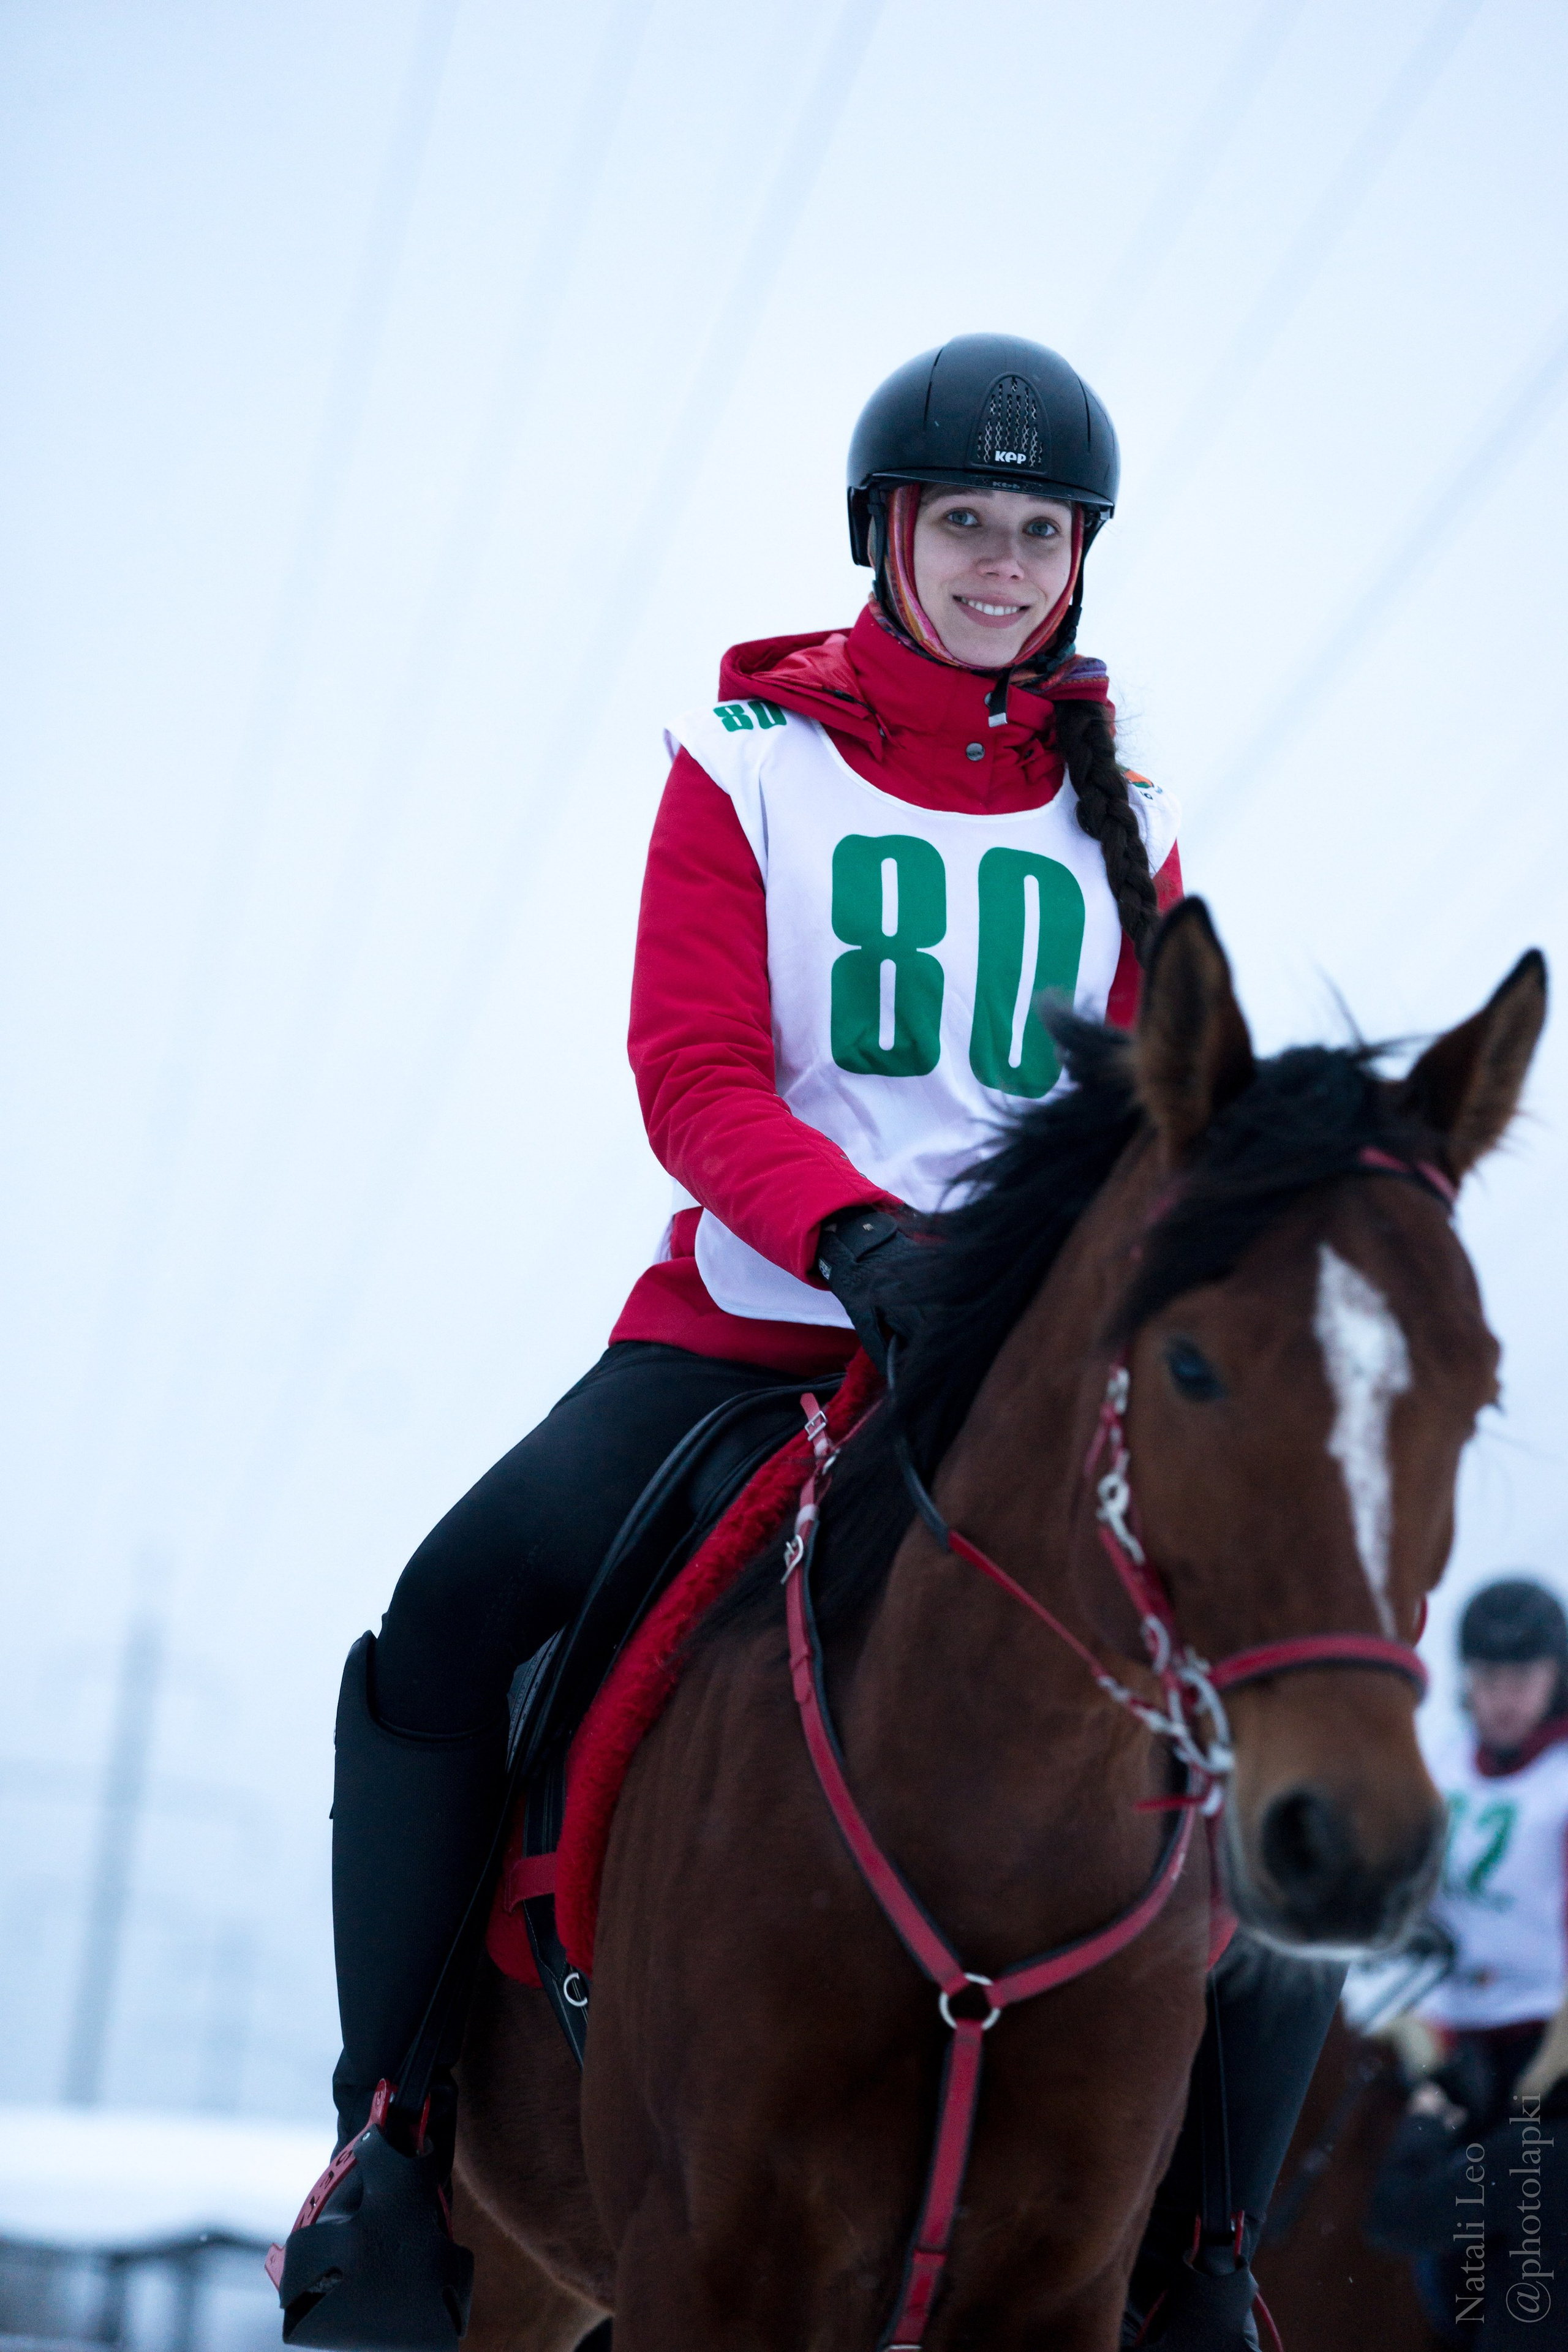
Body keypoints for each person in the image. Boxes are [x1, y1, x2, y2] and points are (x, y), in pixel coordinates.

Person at [273, 334, 1338, 2352]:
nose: (1005, 568)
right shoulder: (748, 756)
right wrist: (858, 1242)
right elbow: (690, 1063)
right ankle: (390, 2143)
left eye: (1042, 534)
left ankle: (1208, 2262)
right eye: (969, 528)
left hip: (1027, 1381)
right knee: (446, 1617)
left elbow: (1177, 1112)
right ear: (887, 537)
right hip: (759, 1330)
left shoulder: (1134, 815)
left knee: (1255, 1696)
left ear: (1080, 558)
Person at [1366, 1578, 1568, 2341]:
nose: (1503, 1696)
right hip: (1448, 2042)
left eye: (1521, 1677)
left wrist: (1549, 2063)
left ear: (1555, 1677)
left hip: (1546, 2053)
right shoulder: (1447, 1766)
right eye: (1486, 1676)